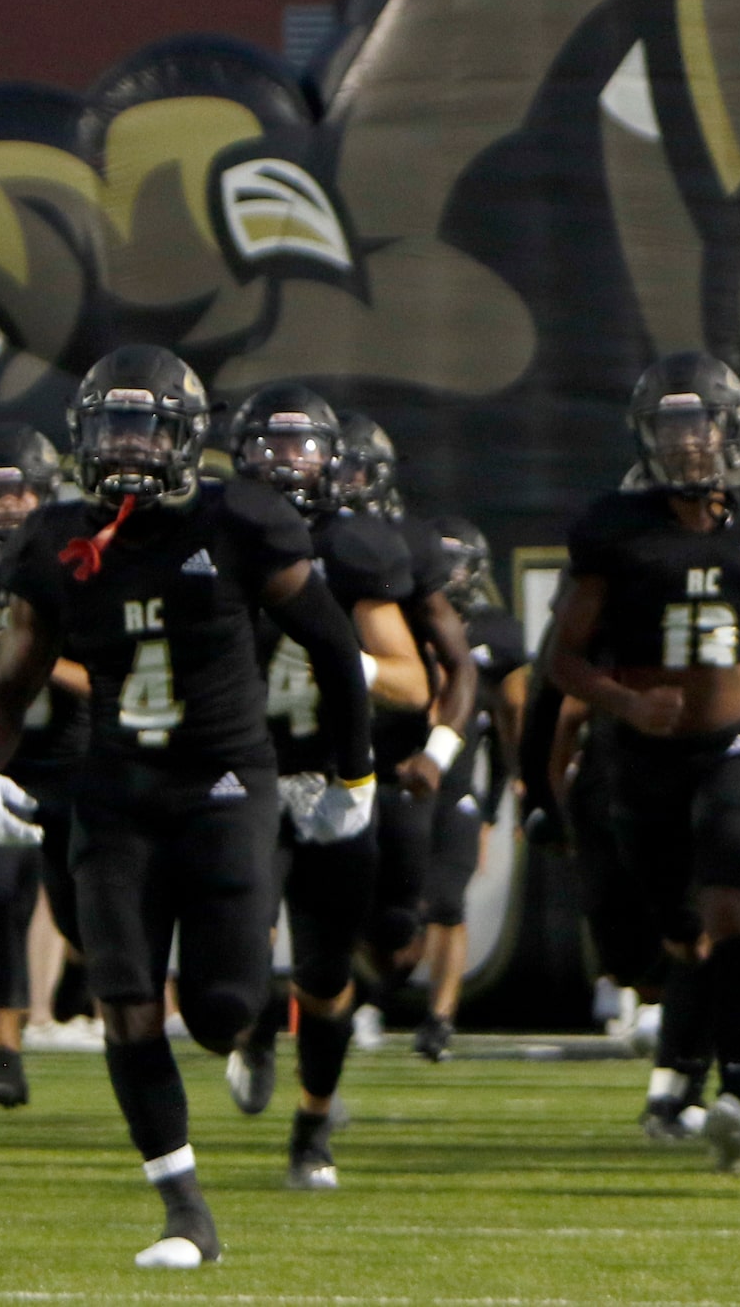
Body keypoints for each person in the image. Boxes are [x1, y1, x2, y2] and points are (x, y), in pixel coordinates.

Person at [0, 346, 374, 1267]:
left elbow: (336, 653)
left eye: (145, 427)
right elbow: (16, 668)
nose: (127, 448)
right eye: (111, 427)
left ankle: (252, 1034)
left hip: (226, 783)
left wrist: (355, 779)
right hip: (118, 792)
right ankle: (184, 1211)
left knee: (223, 1005)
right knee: (128, 1002)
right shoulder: (59, 540)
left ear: (186, 438)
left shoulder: (240, 523)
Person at [548, 352, 740, 1176]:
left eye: (698, 426)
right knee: (680, 934)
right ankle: (678, 1079)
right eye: (671, 429)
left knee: (730, 904)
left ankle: (734, 1093)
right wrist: (623, 703)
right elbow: (563, 661)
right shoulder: (616, 530)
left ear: (727, 429)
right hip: (643, 755)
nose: (687, 445)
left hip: (732, 745)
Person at [222, 383, 430, 1186]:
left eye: (299, 446)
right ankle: (249, 1026)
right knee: (235, 956)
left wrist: (344, 654)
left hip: (332, 778)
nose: (284, 462)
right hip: (240, 776)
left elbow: (412, 685)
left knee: (327, 973)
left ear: (330, 460)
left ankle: (311, 1128)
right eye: (270, 446)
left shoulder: (355, 549)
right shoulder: (218, 533)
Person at [0, 422, 90, 1104]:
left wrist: (28, 658)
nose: (7, 506)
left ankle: (112, 1007)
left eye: (21, 492)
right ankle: (4, 1054)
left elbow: (105, 673)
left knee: (81, 912)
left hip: (70, 760)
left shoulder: (78, 563)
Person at [330, 413, 478, 1056]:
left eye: (357, 469)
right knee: (320, 898)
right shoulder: (288, 536)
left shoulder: (403, 546)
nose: (345, 481)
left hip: (398, 752)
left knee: (394, 931)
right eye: (337, 466)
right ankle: (313, 1024)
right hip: (317, 749)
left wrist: (438, 751)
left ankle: (374, 998)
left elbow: (457, 665)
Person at [412, 515, 527, 1058]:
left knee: (447, 901)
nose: (452, 574)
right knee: (393, 913)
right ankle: (375, 995)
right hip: (397, 779)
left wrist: (495, 807)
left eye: (459, 562)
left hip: (456, 785)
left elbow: (511, 721)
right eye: (444, 561)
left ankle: (440, 1019)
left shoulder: (494, 634)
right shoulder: (400, 618)